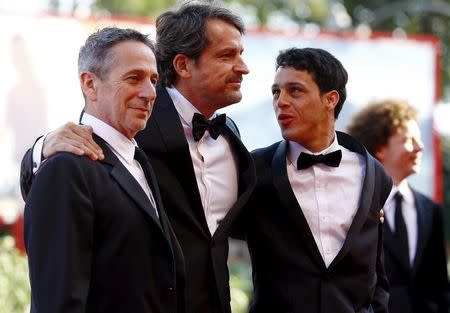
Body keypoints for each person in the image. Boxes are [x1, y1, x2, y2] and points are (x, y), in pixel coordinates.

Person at [20, 3, 255, 313]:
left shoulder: (229, 136)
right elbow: (67, 177)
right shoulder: (125, 126)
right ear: (184, 65)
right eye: (227, 55)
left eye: (152, 80)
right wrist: (41, 149)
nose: (243, 67)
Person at [24, 27, 185, 313]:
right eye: (134, 78)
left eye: (153, 80)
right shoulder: (66, 168)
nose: (149, 93)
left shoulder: (139, 161)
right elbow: (59, 302)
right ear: (90, 84)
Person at [239, 48, 392, 313]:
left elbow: (376, 272)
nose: (281, 102)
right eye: (276, 92)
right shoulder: (254, 168)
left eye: (294, 90)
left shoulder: (374, 174)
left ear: (330, 99)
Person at [347, 99, 450, 313]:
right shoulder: (355, 207)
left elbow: (440, 285)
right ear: (380, 148)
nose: (420, 147)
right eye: (409, 140)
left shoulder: (430, 210)